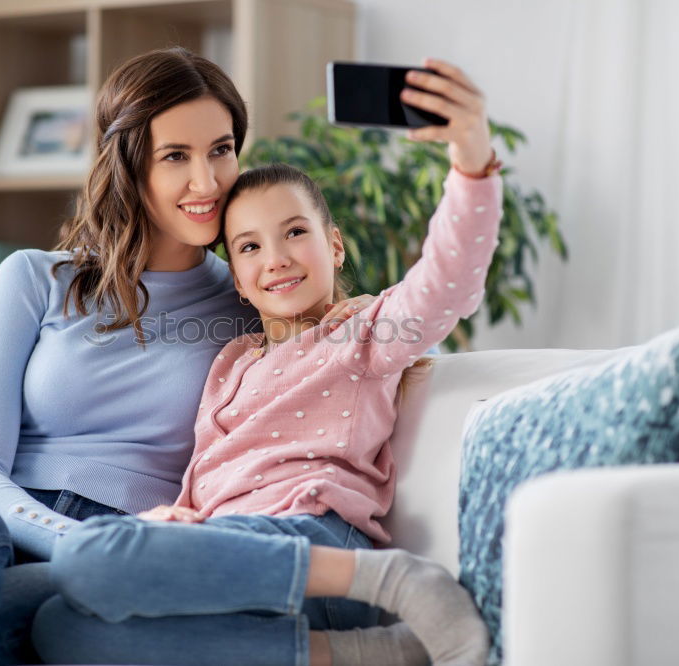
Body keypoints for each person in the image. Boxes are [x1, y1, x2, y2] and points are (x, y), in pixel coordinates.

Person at [0, 47, 376, 666]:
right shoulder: (33, 279)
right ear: (131, 164)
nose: (206, 182)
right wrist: (78, 541)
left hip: (129, 554)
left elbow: (369, 352)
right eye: (175, 156)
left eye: (221, 149)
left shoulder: (251, 302)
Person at [29, 129, 503, 665]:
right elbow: (211, 470)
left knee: (83, 556)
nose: (275, 258)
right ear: (238, 280)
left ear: (336, 245)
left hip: (317, 542)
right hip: (234, 564)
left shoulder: (365, 334)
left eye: (295, 232)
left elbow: (449, 281)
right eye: (250, 246)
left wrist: (472, 165)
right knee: (59, 628)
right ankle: (367, 655)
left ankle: (396, 580)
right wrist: (176, 520)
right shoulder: (230, 360)